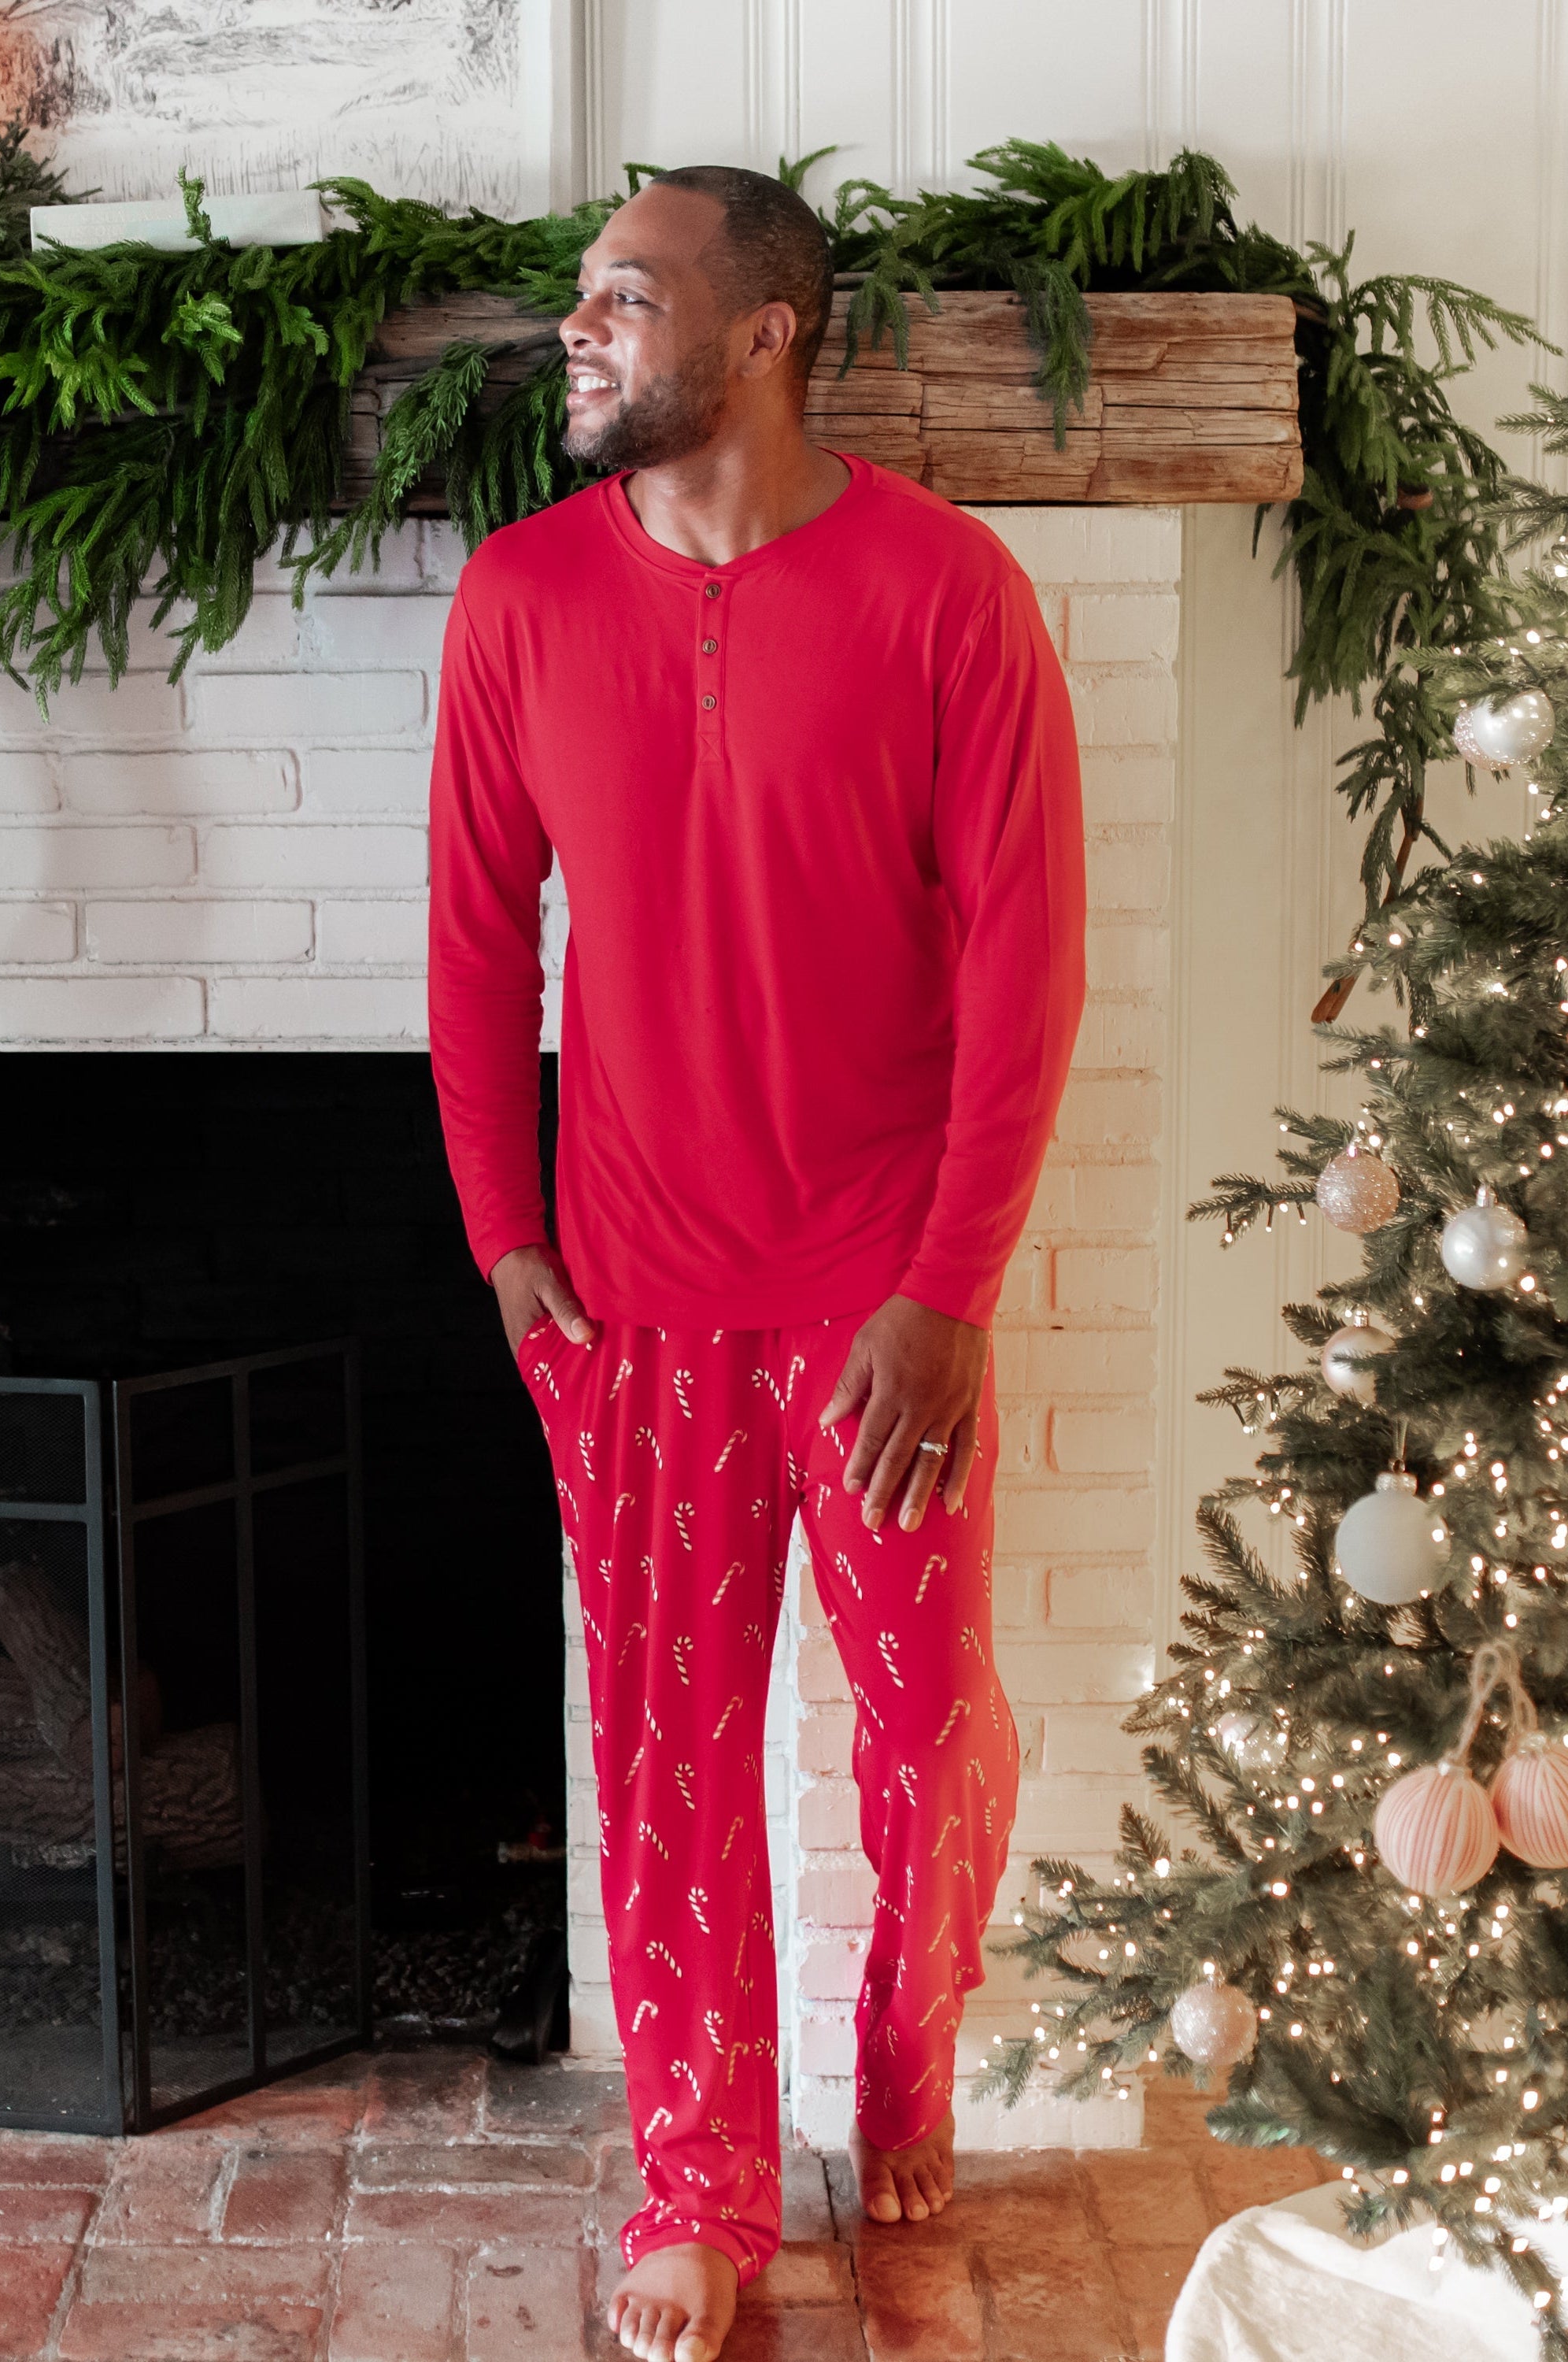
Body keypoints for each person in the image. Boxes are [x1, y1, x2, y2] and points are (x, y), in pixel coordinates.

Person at [427, 163, 1086, 2362]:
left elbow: (1025, 967)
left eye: (626, 293)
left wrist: (953, 1292)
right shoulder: (521, 596)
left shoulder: (948, 592)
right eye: (583, 293)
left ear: (769, 330)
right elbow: (470, 936)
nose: (579, 325)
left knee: (931, 1732)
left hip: (888, 1300)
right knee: (671, 1762)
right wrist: (505, 1235)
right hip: (632, 1302)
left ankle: (906, 2049)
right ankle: (698, 2184)